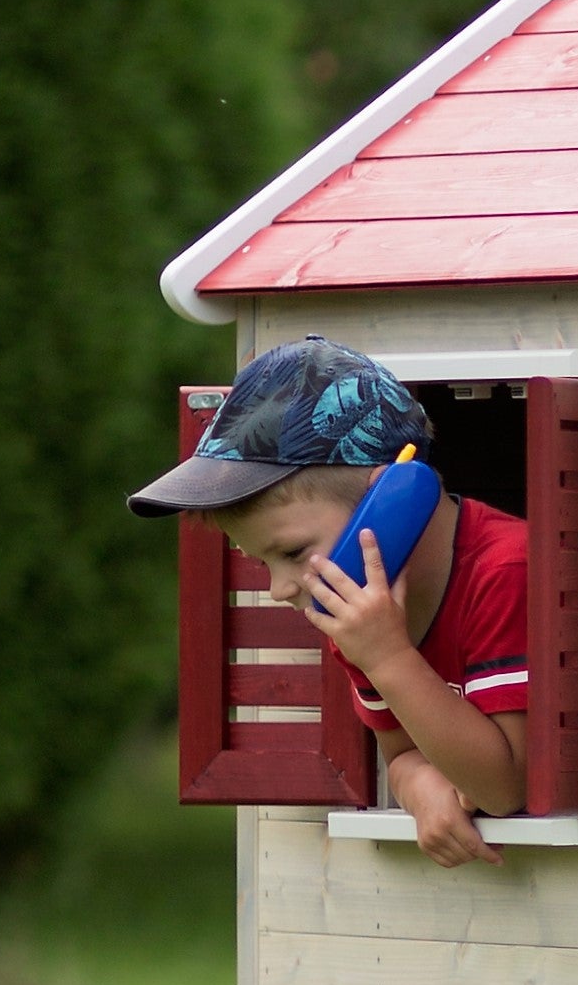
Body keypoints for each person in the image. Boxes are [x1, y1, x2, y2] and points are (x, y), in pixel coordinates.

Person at [128, 338, 530, 868]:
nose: (278, 589)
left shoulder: (505, 573)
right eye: (261, 562)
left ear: (391, 502)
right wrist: (421, 787)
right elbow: (403, 752)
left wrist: (388, 659)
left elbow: (506, 786)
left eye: (292, 552)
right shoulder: (358, 616)